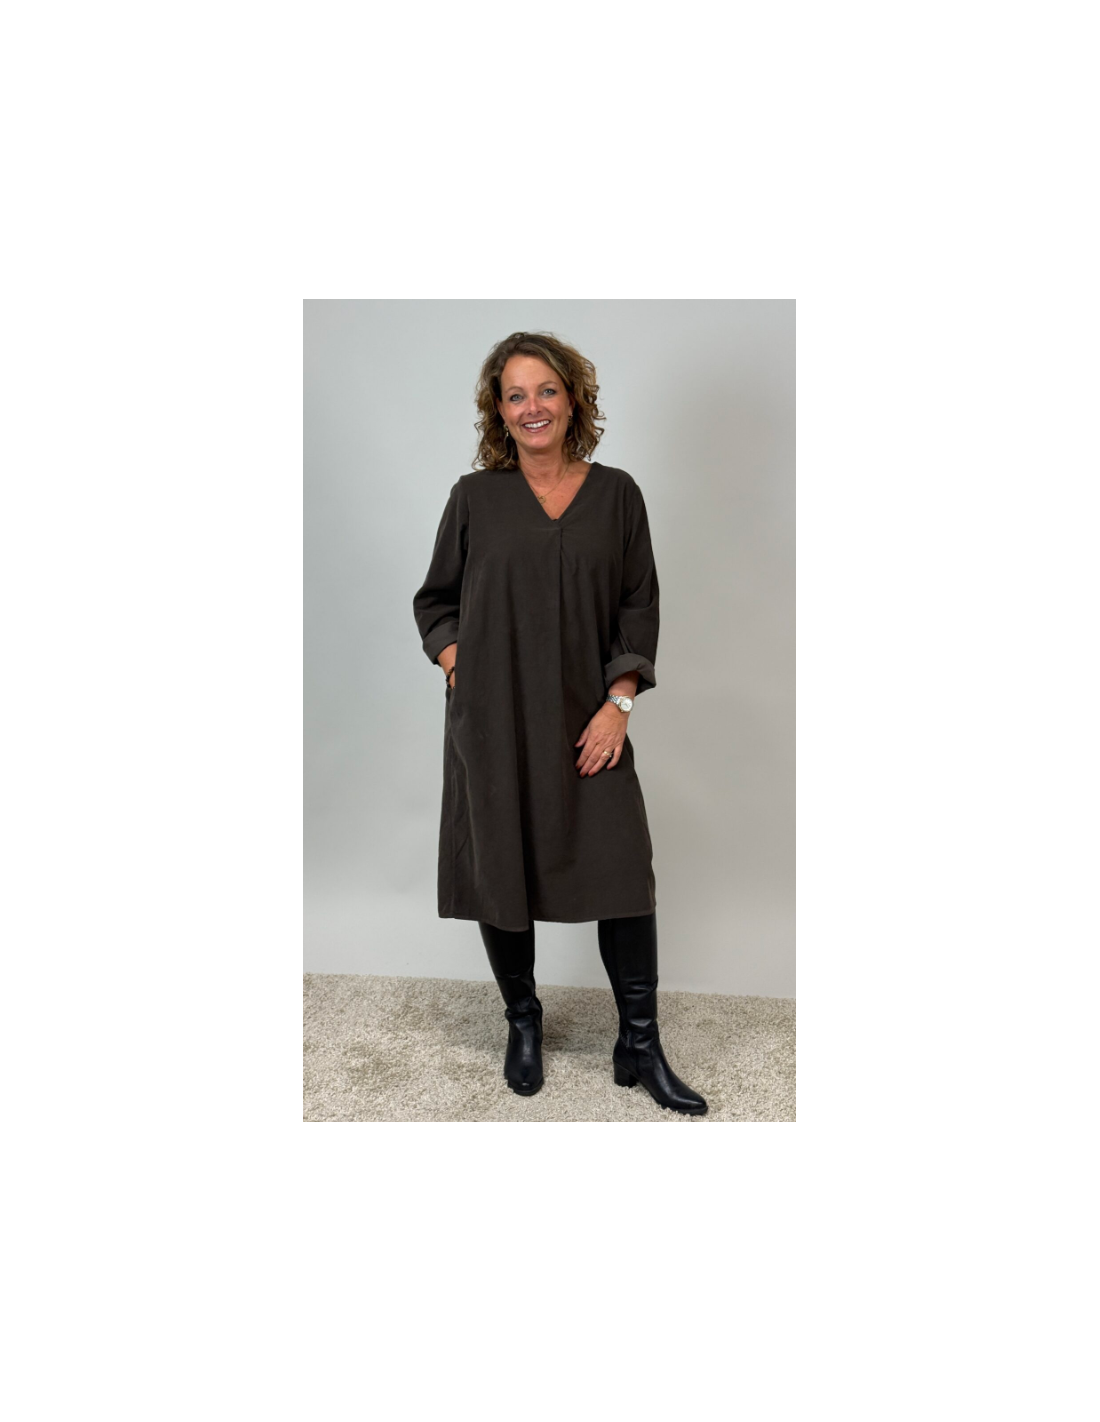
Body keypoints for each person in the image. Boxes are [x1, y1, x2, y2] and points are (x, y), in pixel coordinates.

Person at [412, 331, 706, 1116]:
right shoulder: (474, 499)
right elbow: (436, 603)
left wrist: (619, 705)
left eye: (546, 390)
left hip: (588, 720)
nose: (532, 406)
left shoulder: (617, 496)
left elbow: (637, 606)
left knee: (623, 873)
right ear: (499, 411)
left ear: (573, 399)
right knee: (502, 868)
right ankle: (523, 1021)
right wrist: (460, 668)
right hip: (494, 723)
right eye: (515, 395)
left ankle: (639, 1042)